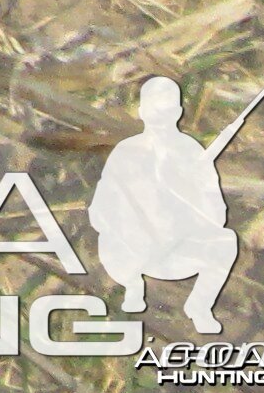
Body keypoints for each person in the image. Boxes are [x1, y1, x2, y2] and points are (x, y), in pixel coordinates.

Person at [89, 75, 242, 334]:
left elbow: (217, 213)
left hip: (177, 249)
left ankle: (200, 306)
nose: (160, 118)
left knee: (226, 241)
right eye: (154, 110)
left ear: (178, 112)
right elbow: (100, 209)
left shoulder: (191, 152)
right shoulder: (127, 151)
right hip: (133, 251)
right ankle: (132, 288)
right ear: (141, 111)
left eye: (167, 110)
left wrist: (192, 194)